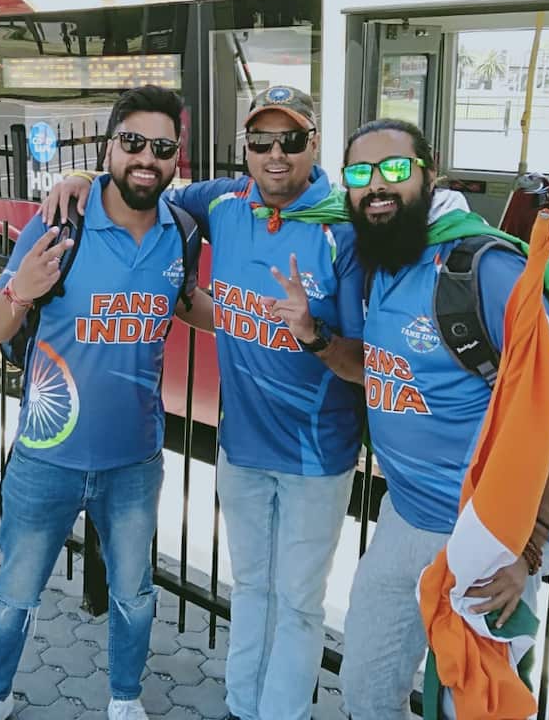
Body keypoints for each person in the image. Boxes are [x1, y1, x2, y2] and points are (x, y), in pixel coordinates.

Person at [42, 86, 367, 720]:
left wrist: (315, 333)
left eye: (291, 141)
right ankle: (244, 707)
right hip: (241, 447)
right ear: (244, 147)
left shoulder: (341, 228)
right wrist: (80, 174)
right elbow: (144, 180)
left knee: (298, 602)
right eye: (260, 142)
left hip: (316, 453)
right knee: (251, 589)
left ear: (314, 145)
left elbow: (364, 363)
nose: (275, 155)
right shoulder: (224, 200)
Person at [336, 117, 549, 720]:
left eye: (395, 169)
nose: (377, 185)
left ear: (430, 176)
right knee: (364, 692)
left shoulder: (481, 270)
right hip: (401, 520)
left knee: (478, 707)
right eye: (360, 173)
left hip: (485, 540)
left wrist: (530, 543)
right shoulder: (380, 255)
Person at [0, 85, 213, 720]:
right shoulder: (60, 225)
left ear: (175, 158)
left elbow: (188, 304)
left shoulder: (179, 233)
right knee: (15, 592)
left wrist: (266, 325)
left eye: (161, 147)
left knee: (133, 594)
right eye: (132, 143)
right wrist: (20, 289)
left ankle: (125, 699)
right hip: (47, 455)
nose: (145, 159)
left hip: (134, 462)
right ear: (109, 148)